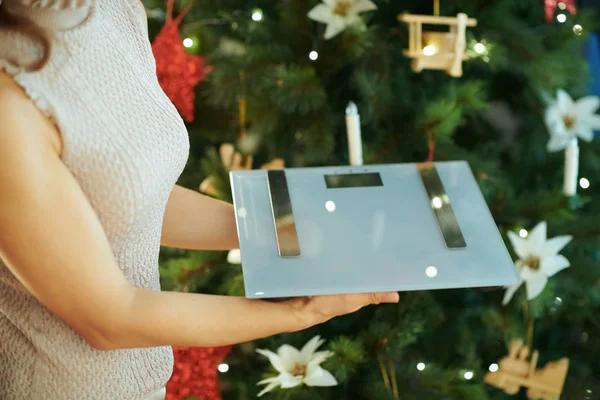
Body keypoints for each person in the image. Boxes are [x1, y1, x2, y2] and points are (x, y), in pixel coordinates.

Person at [0, 1, 400, 399]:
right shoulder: (8, 104)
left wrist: (273, 233)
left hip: (146, 386)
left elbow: (120, 191)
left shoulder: (112, 9)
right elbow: (110, 319)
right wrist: (301, 312)